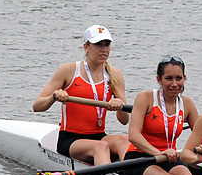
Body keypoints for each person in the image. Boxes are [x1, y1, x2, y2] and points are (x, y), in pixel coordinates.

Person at [32, 24, 130, 164]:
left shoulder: (115, 75)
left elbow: (124, 120)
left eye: (107, 44)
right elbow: (37, 106)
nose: (104, 49)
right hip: (70, 139)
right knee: (101, 147)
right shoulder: (69, 70)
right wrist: (54, 97)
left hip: (99, 136)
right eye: (98, 44)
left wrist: (120, 105)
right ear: (86, 47)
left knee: (123, 140)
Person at [122, 56, 200, 175]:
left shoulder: (187, 104)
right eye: (169, 78)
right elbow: (133, 135)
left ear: (185, 78)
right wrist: (159, 153)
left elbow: (201, 136)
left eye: (179, 78)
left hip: (169, 158)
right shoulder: (146, 97)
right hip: (140, 157)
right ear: (159, 79)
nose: (175, 84)